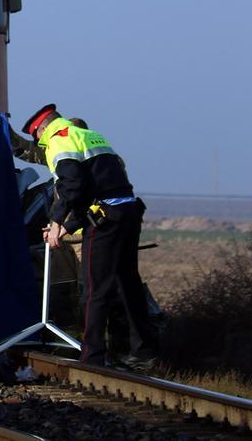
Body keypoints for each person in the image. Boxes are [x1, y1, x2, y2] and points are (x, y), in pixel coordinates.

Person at [21, 104, 158, 368]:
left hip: (105, 222)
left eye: (36, 137)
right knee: (128, 285)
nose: (38, 143)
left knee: (95, 290)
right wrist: (68, 226)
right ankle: (144, 352)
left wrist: (56, 220)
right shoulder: (88, 135)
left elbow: (72, 185)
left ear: (41, 129)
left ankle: (92, 358)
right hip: (126, 214)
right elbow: (95, 189)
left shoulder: (60, 141)